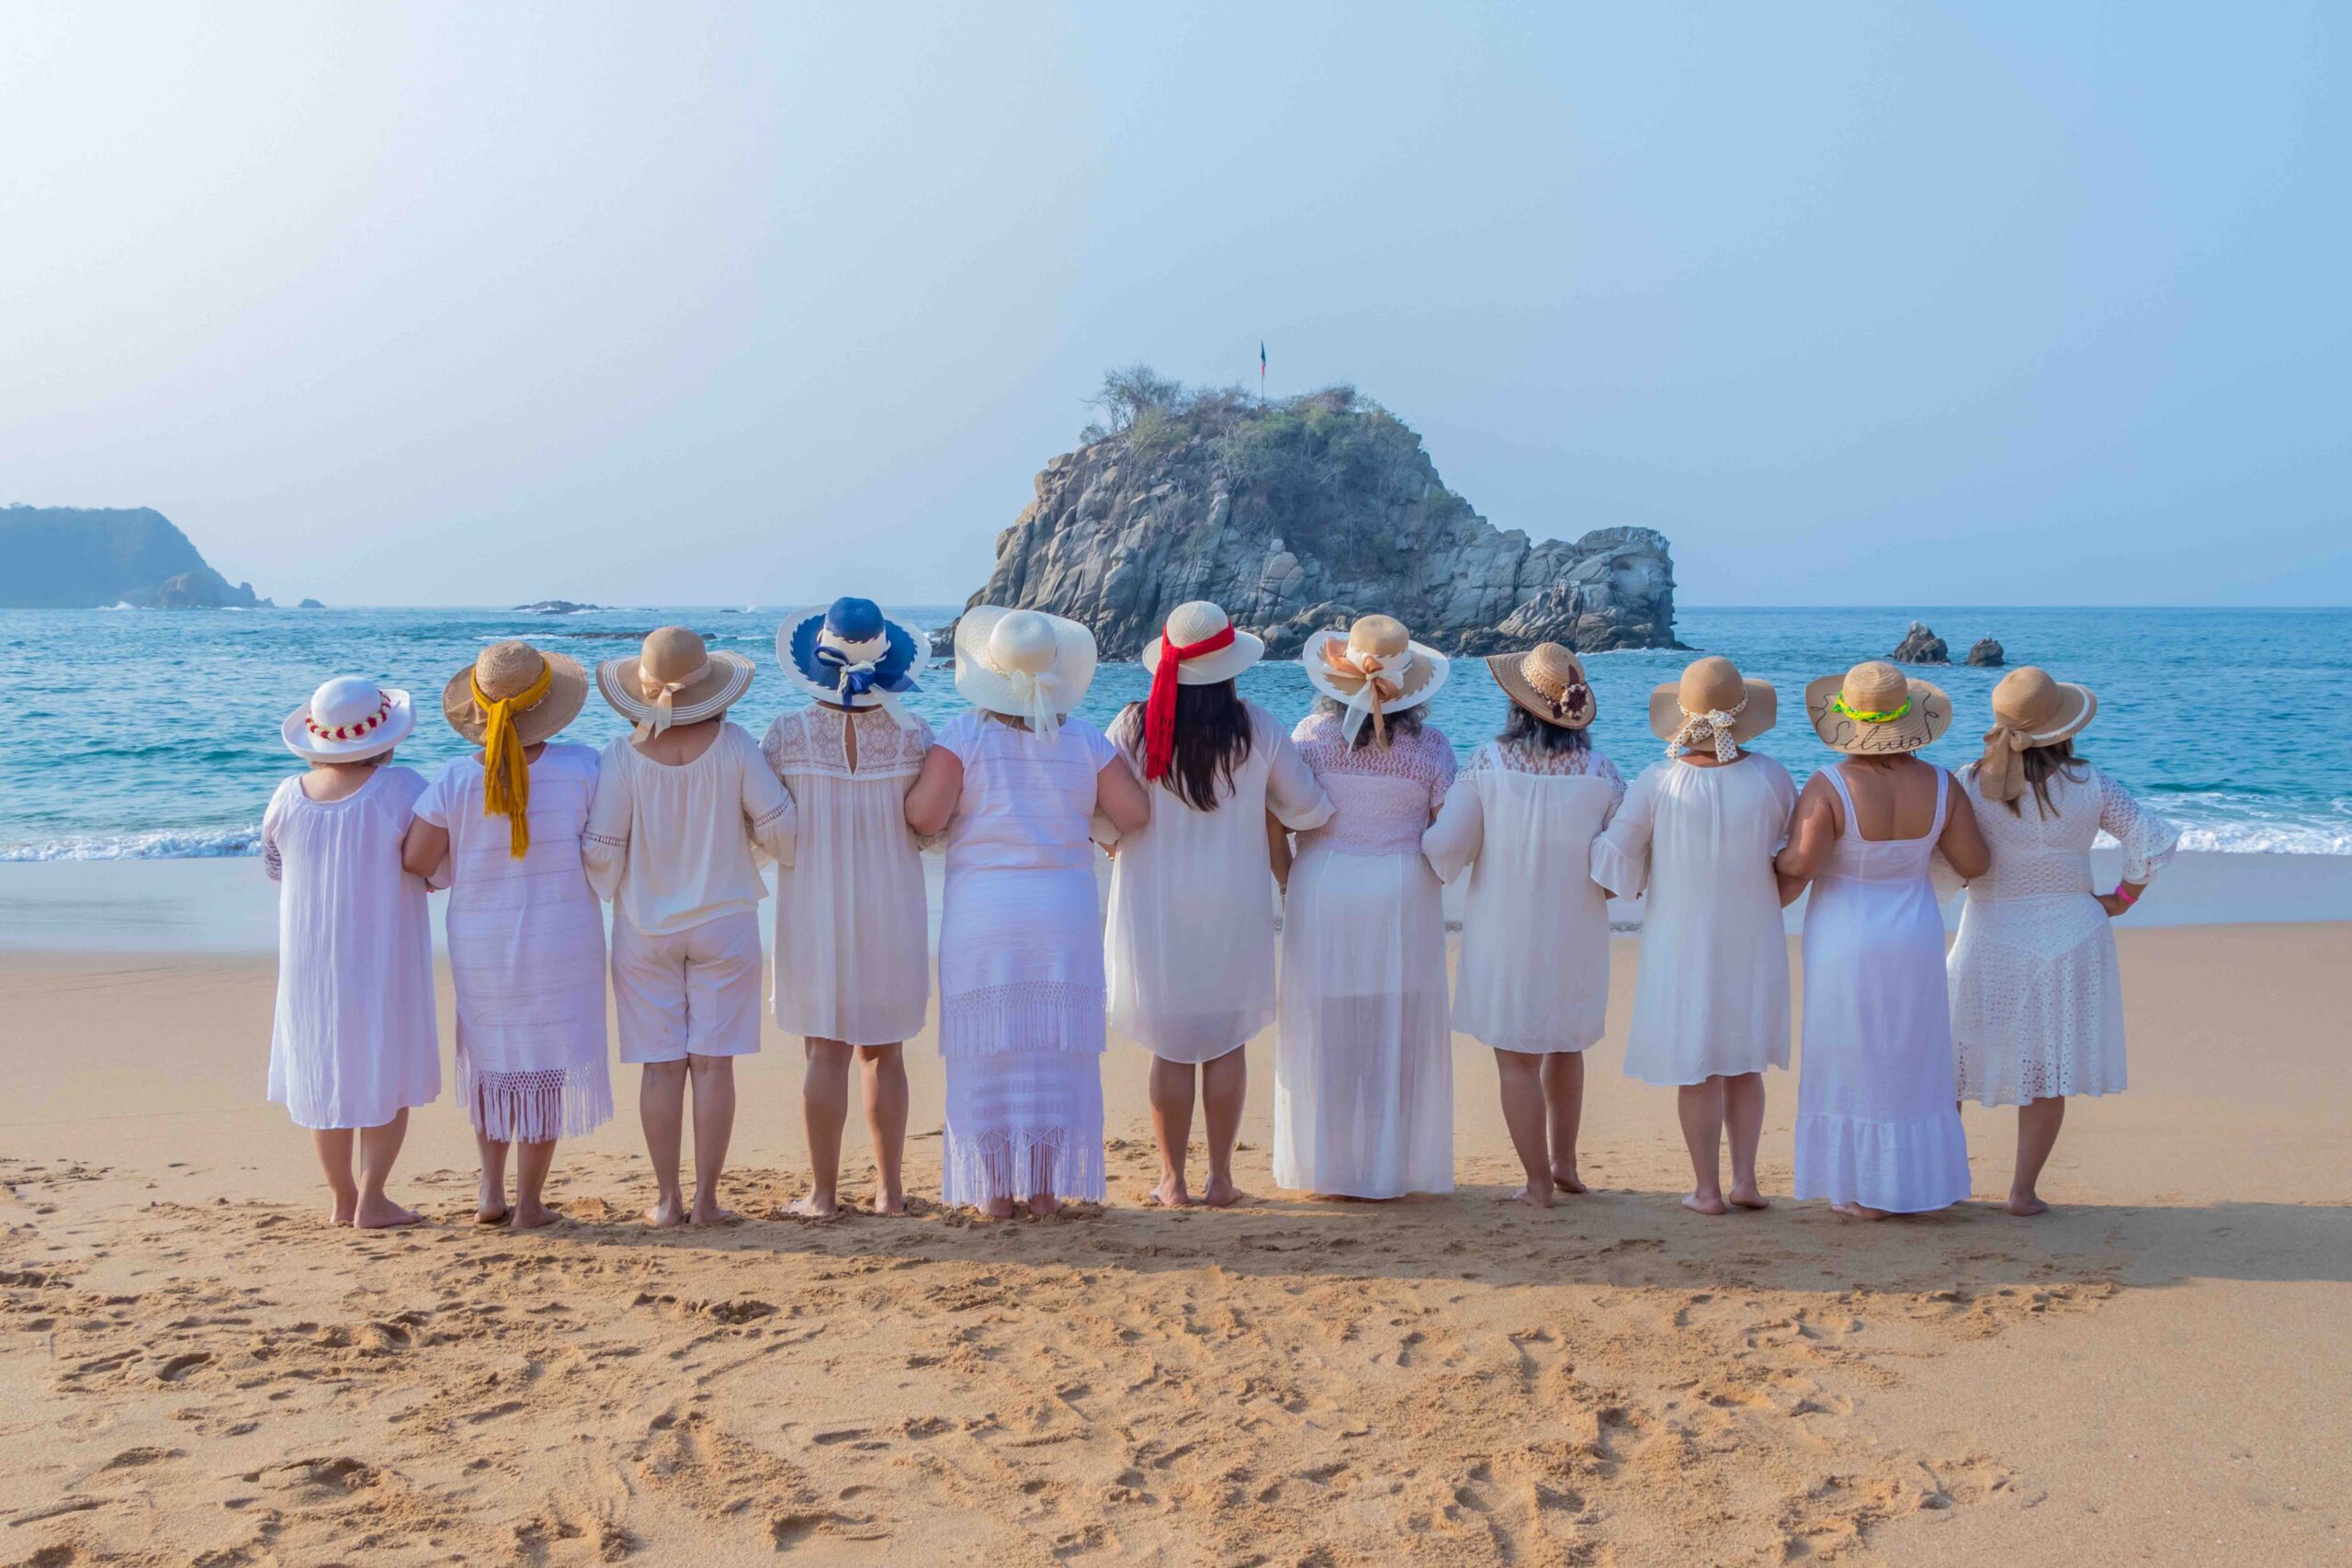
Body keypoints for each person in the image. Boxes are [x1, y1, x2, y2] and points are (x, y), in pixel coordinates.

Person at [903, 607, 1151, 1218]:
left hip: (986, 913)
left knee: (988, 1055)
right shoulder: (1084, 739)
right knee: (1051, 1055)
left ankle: (993, 1193)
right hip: (1061, 911)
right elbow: (1135, 814)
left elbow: (924, 817)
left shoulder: (964, 735)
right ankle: (1043, 1190)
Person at [1099, 601, 1332, 1208]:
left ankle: (1172, 1181)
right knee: (1227, 1042)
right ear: (1230, 667)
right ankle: (1222, 1179)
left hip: (1154, 902)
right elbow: (1308, 806)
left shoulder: (1133, 726)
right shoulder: (1256, 728)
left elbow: (1100, 815)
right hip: (1234, 902)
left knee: (1170, 1044)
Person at [582, 626, 792, 1228]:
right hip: (726, 920)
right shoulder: (736, 744)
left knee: (661, 1068)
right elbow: (780, 826)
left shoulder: (620, 756)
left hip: (645, 926)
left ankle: (667, 1199)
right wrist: (745, 853)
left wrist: (621, 882)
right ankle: (707, 1202)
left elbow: (602, 852)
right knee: (714, 1066)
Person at [1950, 666, 2177, 1215]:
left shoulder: (1968, 782)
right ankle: (2022, 1193)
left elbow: (1944, 856)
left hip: (1990, 929)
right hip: (2071, 933)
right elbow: (2150, 838)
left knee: (1953, 1063)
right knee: (2045, 1069)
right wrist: (2122, 898)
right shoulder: (2088, 782)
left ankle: (1947, 1180)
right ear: (2064, 728)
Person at [402, 640, 609, 1230]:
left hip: (481, 943)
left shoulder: (453, 779)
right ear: (549, 705)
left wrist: (457, 867)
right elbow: (605, 846)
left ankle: (491, 1192)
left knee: (492, 1064)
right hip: (562, 938)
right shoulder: (585, 766)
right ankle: (530, 1204)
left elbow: (418, 860)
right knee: (545, 1064)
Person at [1778, 661, 1989, 1220]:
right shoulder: (1943, 785)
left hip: (1845, 934)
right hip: (1915, 931)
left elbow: (1800, 864)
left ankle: (1859, 1188)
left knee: (1848, 1052)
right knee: (1913, 1052)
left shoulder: (1829, 785)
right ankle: (1913, 1183)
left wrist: (1762, 859)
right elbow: (1975, 862)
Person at [1591, 656, 1796, 1216]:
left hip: (1680, 937)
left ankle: (1707, 1190)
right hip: (1753, 933)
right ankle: (1746, 1180)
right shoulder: (1773, 776)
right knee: (1744, 1062)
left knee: (1696, 1064)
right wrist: (1767, 899)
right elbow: (1796, 857)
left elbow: (1615, 857)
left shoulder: (1658, 780)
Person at [1425, 645, 1623, 1208]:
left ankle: (1537, 1182)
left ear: (1516, 705)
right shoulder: (1601, 772)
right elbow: (1620, 866)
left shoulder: (1487, 764)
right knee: (1566, 1046)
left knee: (1515, 1058)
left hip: (1505, 931)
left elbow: (1448, 847)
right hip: (1576, 931)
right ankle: (1564, 1164)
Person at [763, 598, 935, 1217]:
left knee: (824, 1050)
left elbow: (766, 830)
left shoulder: (786, 733)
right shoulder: (915, 733)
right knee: (885, 1052)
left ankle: (823, 1194)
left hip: (816, 903)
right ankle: (890, 1192)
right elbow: (933, 829)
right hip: (893, 903)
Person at [1275, 614, 1455, 1200]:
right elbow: (1448, 831)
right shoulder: (1431, 746)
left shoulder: (1310, 736)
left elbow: (1279, 814)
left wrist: (1287, 878)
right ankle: (1386, 1168)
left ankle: (1331, 1168)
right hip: (1401, 893)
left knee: (1327, 1033)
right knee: (1394, 1034)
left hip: (1324, 890)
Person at [261, 676, 437, 1229]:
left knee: (324, 1072)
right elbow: (432, 868)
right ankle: (373, 1198)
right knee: (387, 1069)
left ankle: (342, 1198)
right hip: (383, 951)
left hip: (310, 956)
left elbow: (275, 867)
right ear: (386, 741)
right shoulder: (404, 788)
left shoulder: (287, 794)